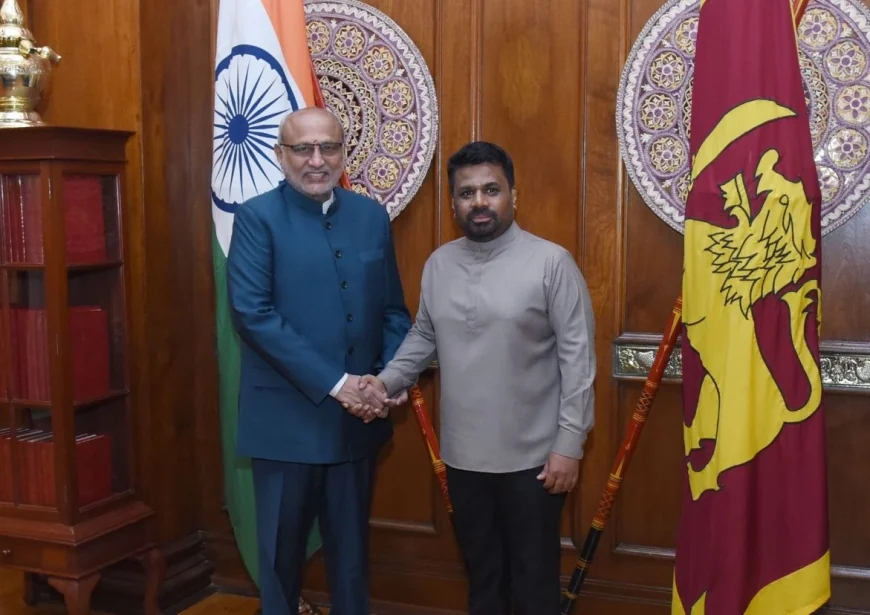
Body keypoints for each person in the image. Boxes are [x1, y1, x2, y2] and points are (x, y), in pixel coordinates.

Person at [359, 141, 597, 613]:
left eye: (492, 189)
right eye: (467, 193)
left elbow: (579, 361)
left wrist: (569, 445)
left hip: (535, 461)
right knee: (483, 580)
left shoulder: (552, 263)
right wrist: (384, 384)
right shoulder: (439, 264)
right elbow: (423, 336)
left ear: (513, 196)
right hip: (463, 458)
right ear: (453, 203)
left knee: (533, 585)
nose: (480, 202)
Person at [226, 107, 411, 615]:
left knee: (351, 564)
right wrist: (337, 383)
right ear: (280, 155)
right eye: (303, 149)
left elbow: (393, 311)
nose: (316, 160)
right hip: (285, 427)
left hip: (358, 425)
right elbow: (252, 314)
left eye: (328, 147)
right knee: (281, 565)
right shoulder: (257, 218)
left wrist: (388, 380)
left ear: (343, 153)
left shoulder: (370, 217)